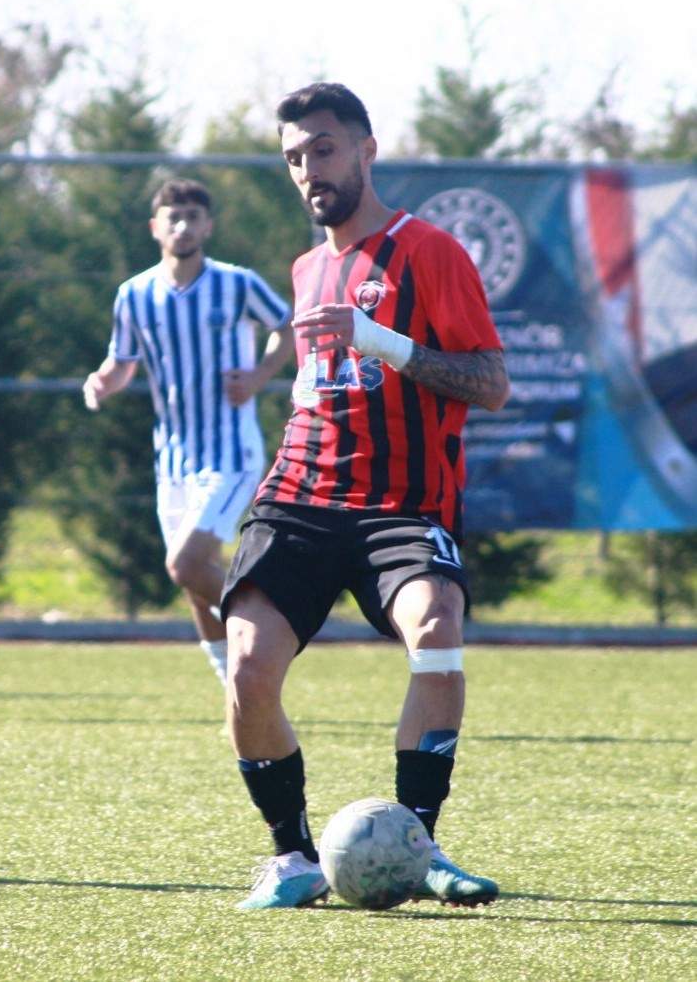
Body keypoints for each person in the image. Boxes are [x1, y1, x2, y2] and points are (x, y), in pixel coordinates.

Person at [222, 82, 511, 909]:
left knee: (436, 628)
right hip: (301, 497)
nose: (308, 169)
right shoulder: (307, 267)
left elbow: (489, 383)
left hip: (403, 504)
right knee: (244, 665)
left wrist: (381, 341)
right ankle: (292, 857)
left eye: (322, 149)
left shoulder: (429, 252)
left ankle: (418, 843)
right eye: (292, 157)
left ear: (364, 150)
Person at [83, 179, 294, 702]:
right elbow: (122, 362)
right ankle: (238, 693)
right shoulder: (134, 293)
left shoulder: (236, 283)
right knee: (193, 583)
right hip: (172, 458)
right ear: (155, 228)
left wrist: (260, 375)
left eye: (192, 217)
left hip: (230, 453)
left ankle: (276, 627)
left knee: (185, 564)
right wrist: (102, 382)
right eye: (172, 217)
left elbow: (288, 325)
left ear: (208, 226)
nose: (182, 226)